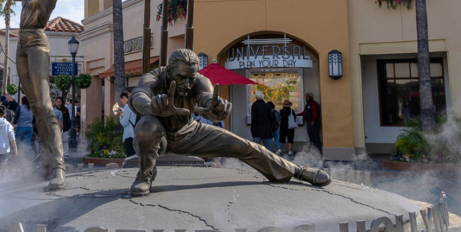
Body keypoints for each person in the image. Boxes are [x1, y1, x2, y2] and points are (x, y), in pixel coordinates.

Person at [129, 49, 330, 197]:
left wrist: (216, 108)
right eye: (181, 77)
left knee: (244, 145)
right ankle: (145, 175)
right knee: (147, 125)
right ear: (169, 71)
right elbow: (138, 96)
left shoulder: (199, 80)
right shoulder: (154, 77)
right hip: (159, 135)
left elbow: (207, 100)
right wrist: (152, 107)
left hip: (189, 133)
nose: (187, 84)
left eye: (190, 78)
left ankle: (297, 171)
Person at [7, 0, 65, 190]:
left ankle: (58, 166)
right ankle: (45, 161)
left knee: (44, 105)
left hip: (38, 43)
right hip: (21, 46)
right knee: (35, 107)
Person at [119, 91, 137, 158]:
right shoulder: (132, 105)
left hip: (129, 135)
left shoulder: (127, 106)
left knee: (130, 157)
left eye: (121, 99)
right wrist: (123, 111)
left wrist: (120, 115)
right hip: (135, 135)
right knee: (135, 156)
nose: (121, 101)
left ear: (124, 98)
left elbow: (124, 123)